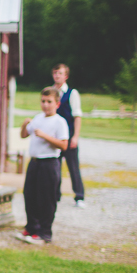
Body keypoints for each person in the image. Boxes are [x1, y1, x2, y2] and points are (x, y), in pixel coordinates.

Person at [16, 87, 69, 244]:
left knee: (45, 198)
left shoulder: (59, 122)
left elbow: (64, 145)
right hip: (34, 162)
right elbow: (24, 135)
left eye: (49, 102)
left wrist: (45, 136)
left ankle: (45, 232)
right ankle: (31, 228)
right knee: (29, 195)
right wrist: (24, 125)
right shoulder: (38, 118)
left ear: (57, 104)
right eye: (43, 101)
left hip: (49, 163)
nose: (45, 105)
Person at [52, 63, 85, 208]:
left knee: (73, 167)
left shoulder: (72, 93)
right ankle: (55, 195)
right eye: (55, 73)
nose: (57, 76)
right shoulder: (51, 92)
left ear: (65, 76)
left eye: (60, 73)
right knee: (54, 167)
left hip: (69, 135)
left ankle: (79, 196)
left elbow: (77, 116)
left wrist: (75, 136)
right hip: (54, 136)